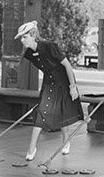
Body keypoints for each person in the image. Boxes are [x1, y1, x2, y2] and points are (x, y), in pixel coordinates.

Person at [15, 21, 83, 161]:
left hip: (63, 81)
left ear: (33, 35)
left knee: (61, 112)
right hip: (48, 83)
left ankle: (66, 141)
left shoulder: (50, 47)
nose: (22, 40)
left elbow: (67, 66)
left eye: (24, 37)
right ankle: (32, 148)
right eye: (21, 38)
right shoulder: (28, 53)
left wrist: (72, 86)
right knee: (41, 112)